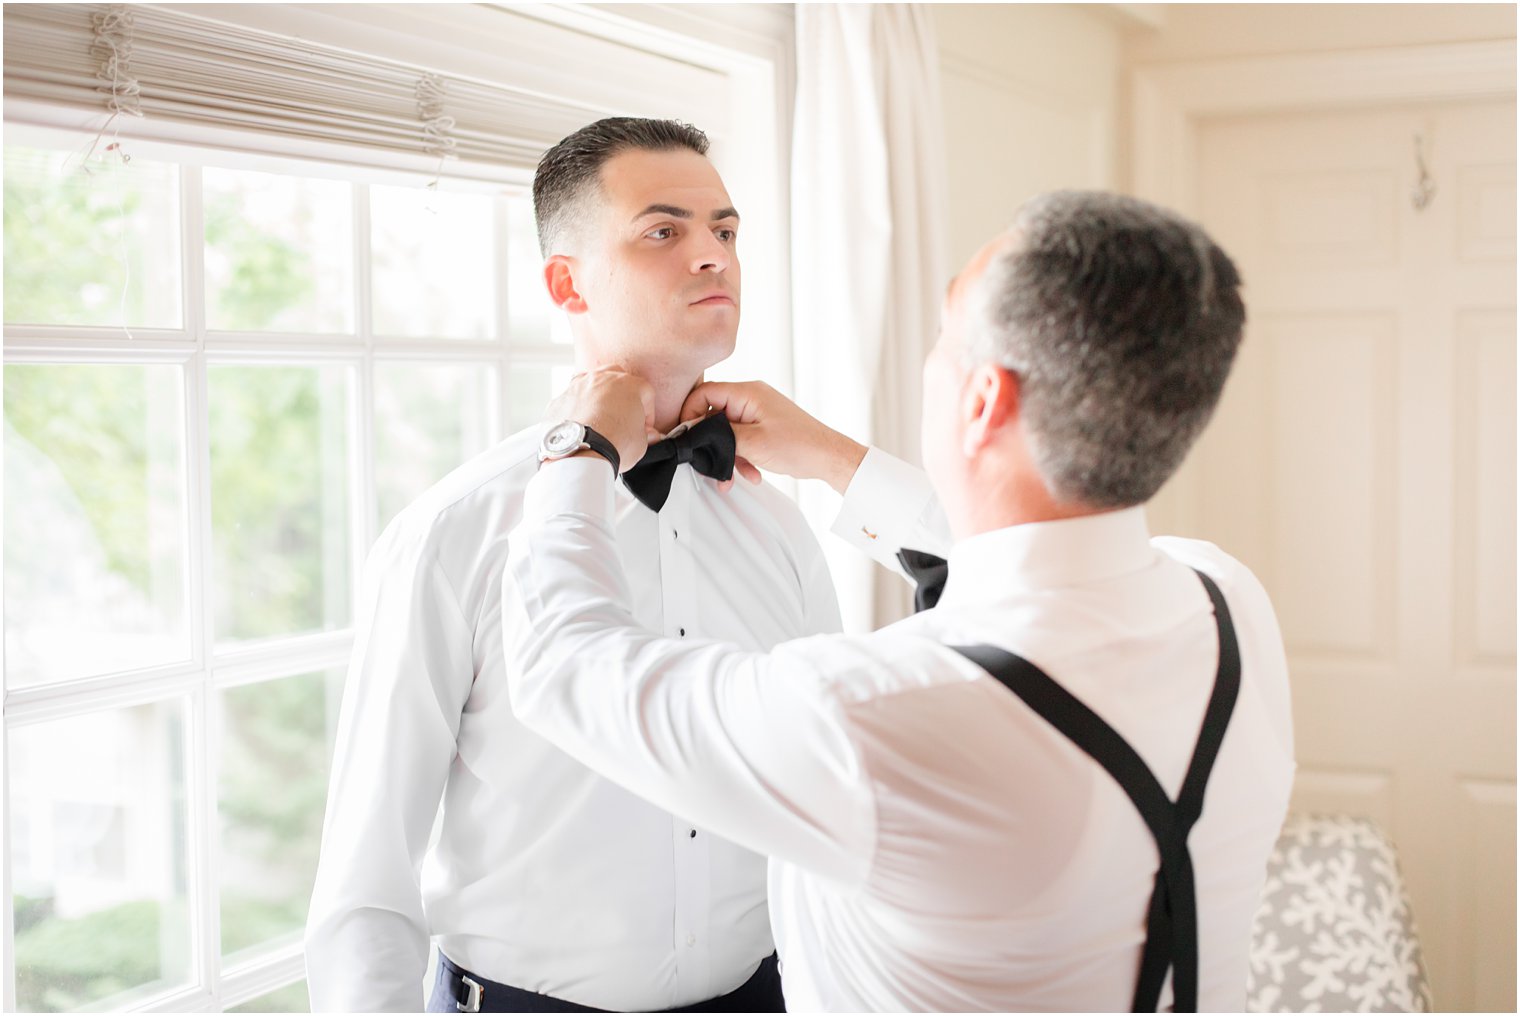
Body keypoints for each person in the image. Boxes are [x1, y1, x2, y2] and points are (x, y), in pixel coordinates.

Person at [501, 191, 1297, 1011]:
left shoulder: (874, 713)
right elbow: (1028, 575)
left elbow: (567, 667)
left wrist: (578, 447)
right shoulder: (1226, 601)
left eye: (944, 335)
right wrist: (839, 463)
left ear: (982, 401)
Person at [305, 117, 851, 1013]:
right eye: (663, 231)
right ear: (568, 282)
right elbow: (368, 880)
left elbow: (828, 797)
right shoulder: (455, 533)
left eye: (725, 229)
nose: (713, 255)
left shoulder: (780, 526)